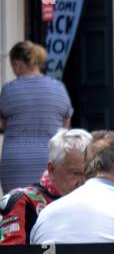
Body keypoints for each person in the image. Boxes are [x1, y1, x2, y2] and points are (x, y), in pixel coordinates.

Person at [0, 42, 74, 190]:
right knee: (48, 203)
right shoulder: (58, 88)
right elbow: (66, 125)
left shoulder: (9, 90)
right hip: (50, 158)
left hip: (17, 161)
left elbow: (1, 124)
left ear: (17, 64)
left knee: (17, 205)